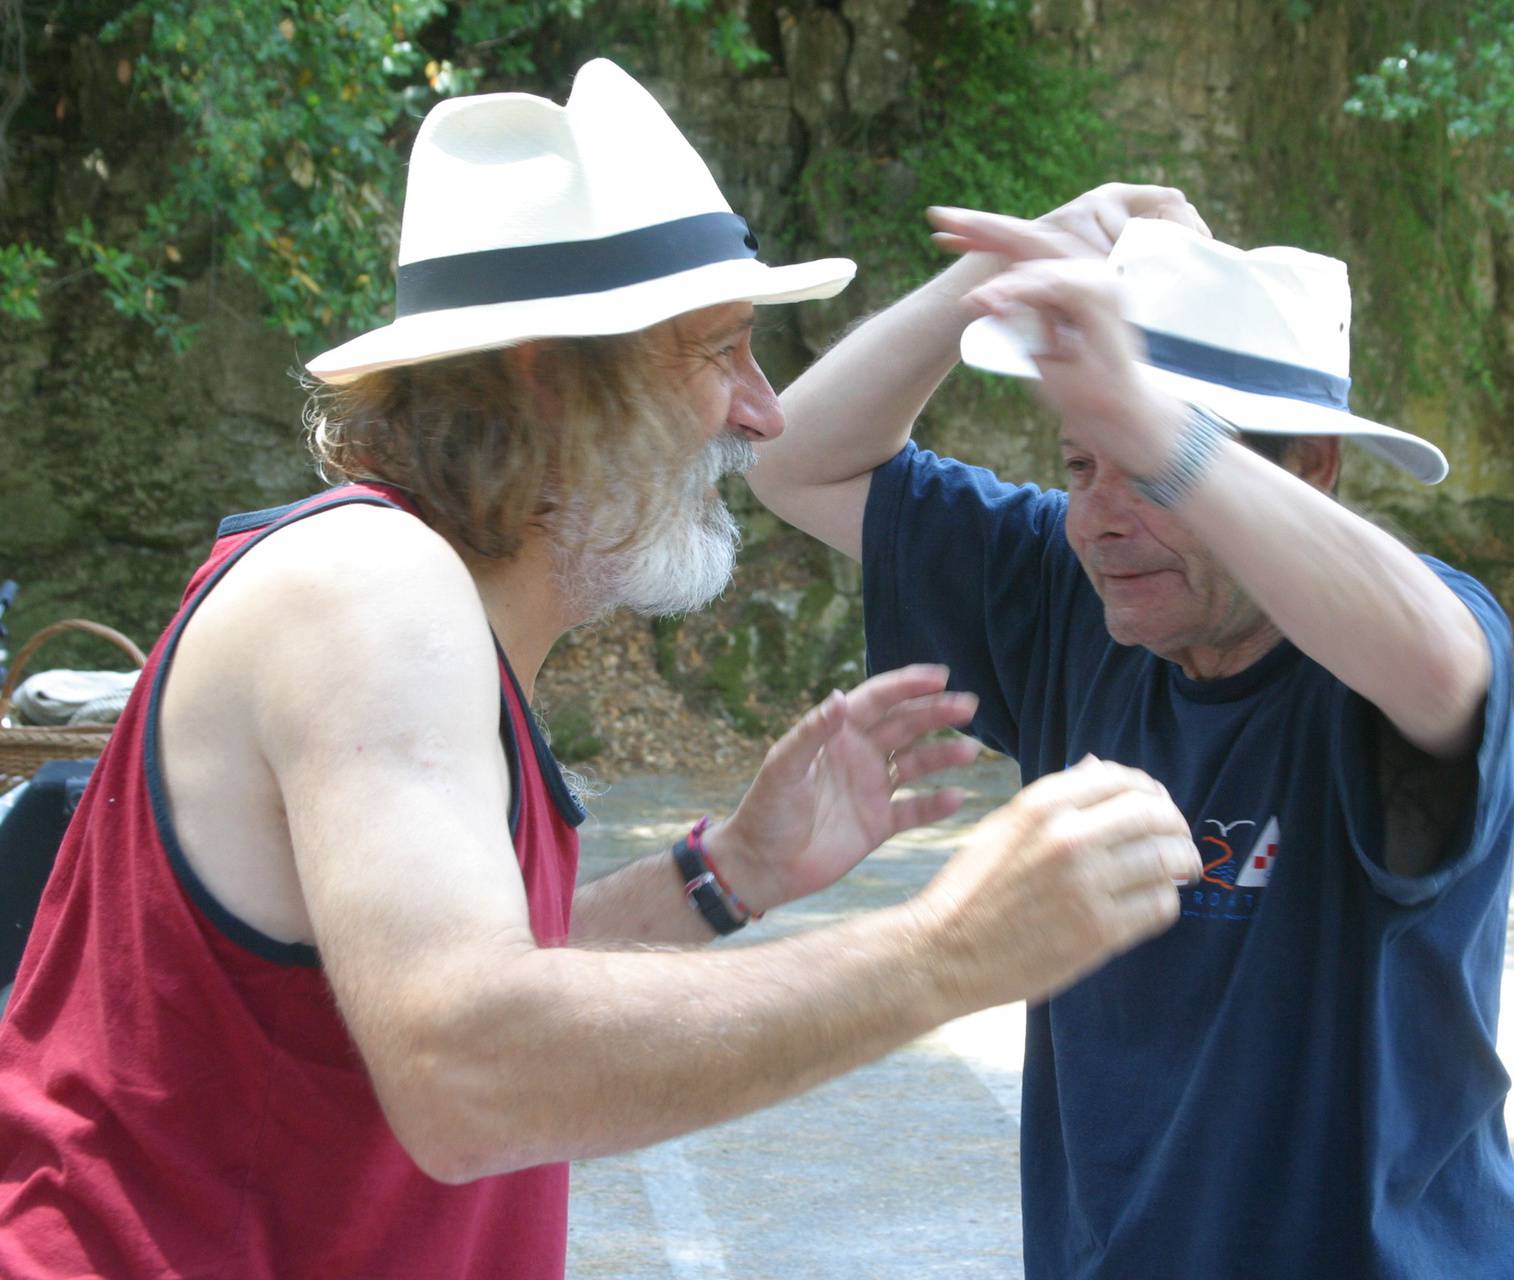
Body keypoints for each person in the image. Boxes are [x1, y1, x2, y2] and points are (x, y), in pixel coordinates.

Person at [0, 63, 1202, 1279]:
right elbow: (466, 1060)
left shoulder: (421, 601)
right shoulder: (372, 587)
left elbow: (401, 971)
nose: (763, 411)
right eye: (721, 352)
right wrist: (955, 946)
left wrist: (722, 873)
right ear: (548, 369)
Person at [749, 196, 1514, 1276]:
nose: (1101, 517)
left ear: (1306, 469)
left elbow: (1445, 666)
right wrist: (985, 280)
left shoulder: (1385, 650)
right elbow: (794, 463)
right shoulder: (1074, 600)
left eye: (1150, 473)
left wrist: (1144, 415)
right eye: (1080, 466)